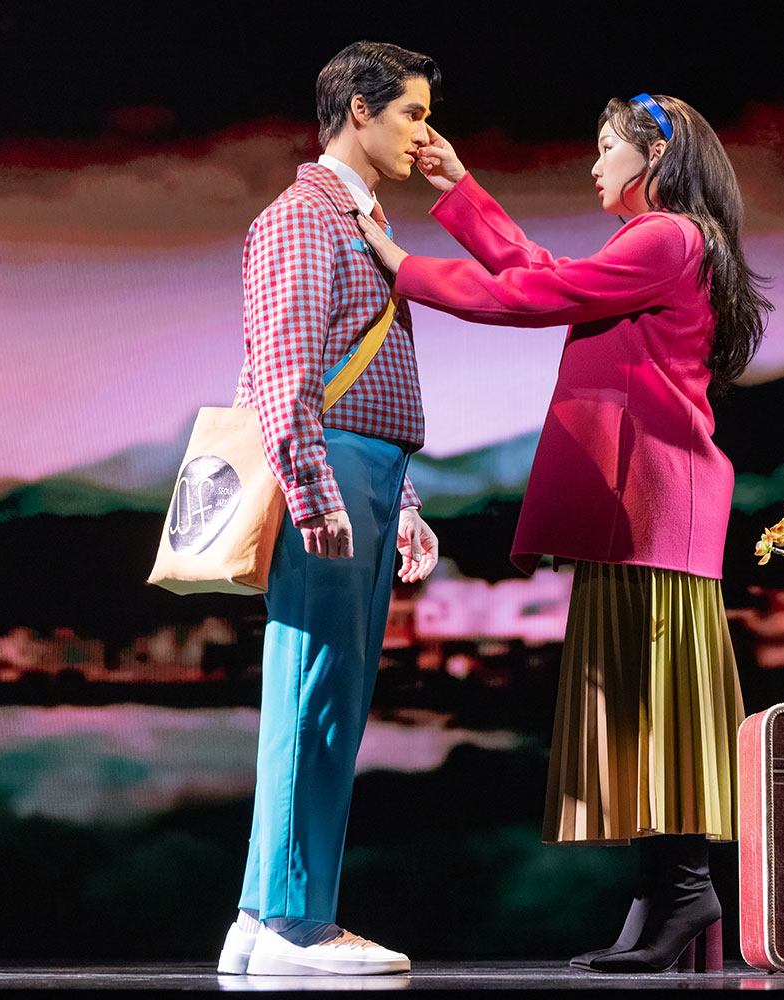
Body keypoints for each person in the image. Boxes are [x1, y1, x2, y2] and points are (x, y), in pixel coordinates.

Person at [354, 93, 771, 973]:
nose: (594, 165)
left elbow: (534, 294)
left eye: (607, 148)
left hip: (654, 506)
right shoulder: (662, 243)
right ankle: (667, 892)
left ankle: (686, 890)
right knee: (644, 706)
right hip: (646, 508)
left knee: (657, 708)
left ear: (654, 157)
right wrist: (460, 187)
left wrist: (399, 263)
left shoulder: (667, 239)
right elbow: (542, 271)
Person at [215, 40, 442, 978]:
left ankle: (263, 914)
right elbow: (285, 369)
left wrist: (408, 502)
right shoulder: (304, 220)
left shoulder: (356, 219)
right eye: (412, 114)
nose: (424, 134)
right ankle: (293, 924)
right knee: (315, 697)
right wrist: (314, 490)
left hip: (366, 469)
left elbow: (358, 368)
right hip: (333, 471)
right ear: (358, 107)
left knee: (324, 700)